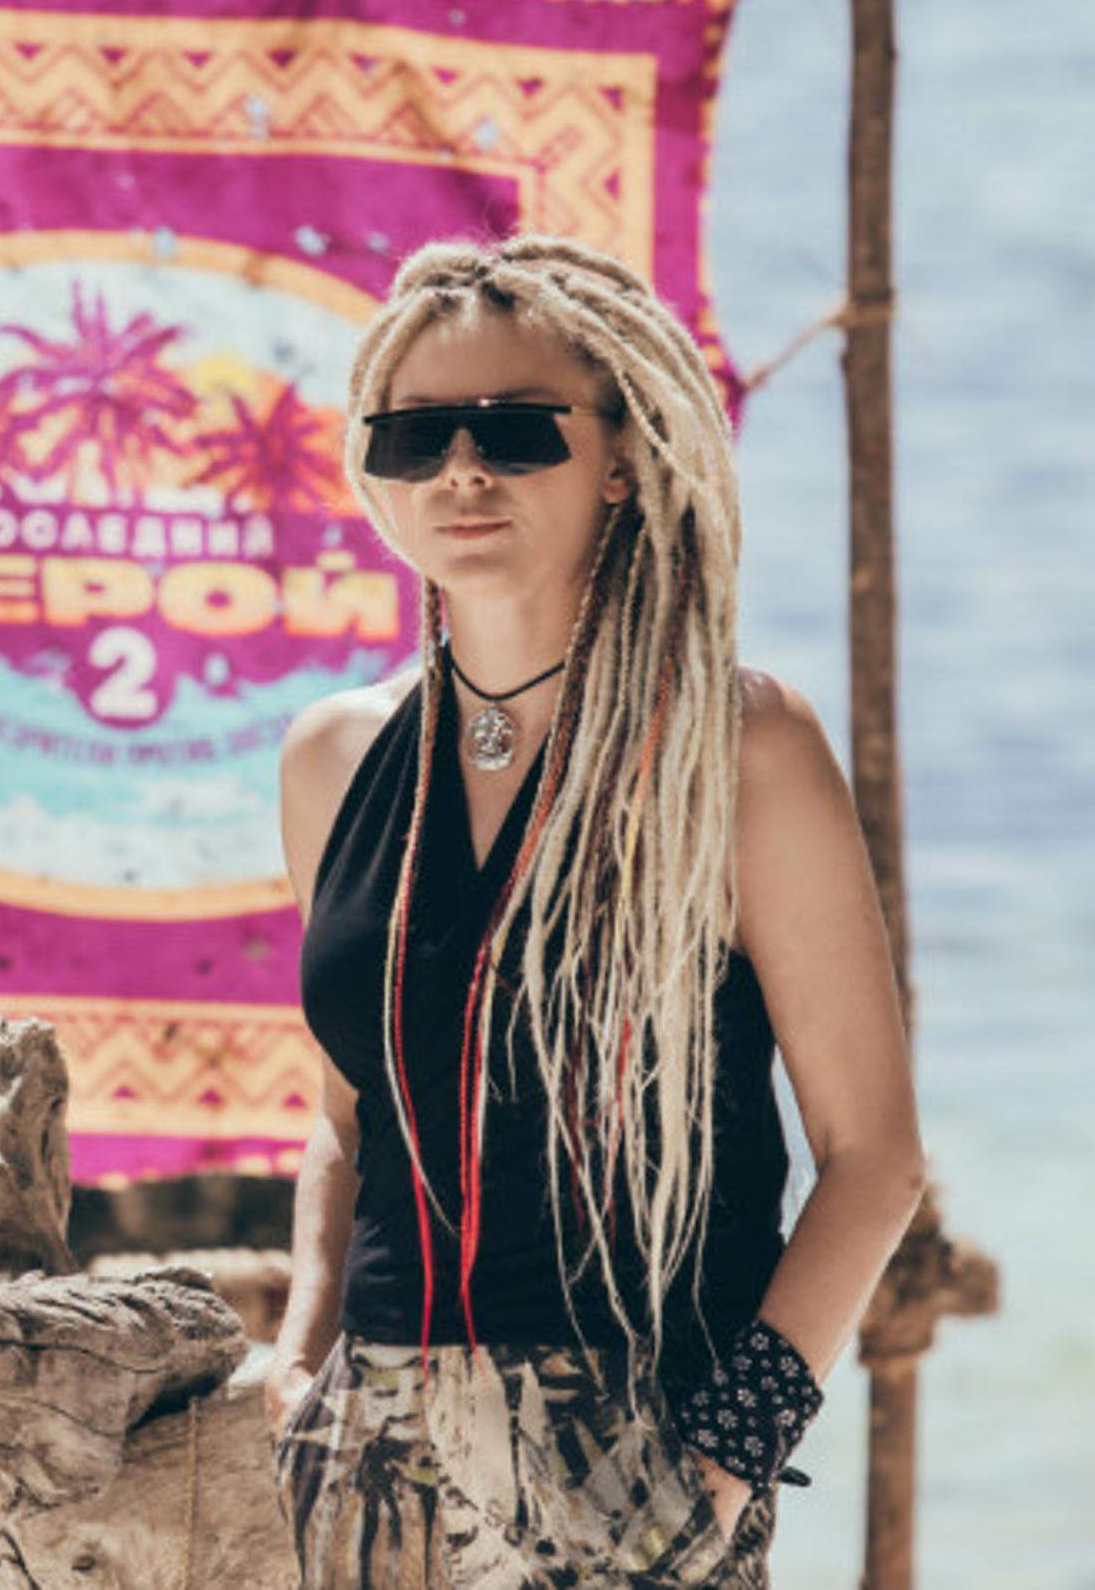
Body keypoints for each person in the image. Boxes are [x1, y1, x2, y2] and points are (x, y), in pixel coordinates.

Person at [264, 233, 927, 1588]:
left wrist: (723, 1465)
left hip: (641, 1446)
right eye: (416, 436)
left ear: (622, 457)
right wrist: (298, 1363)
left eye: (515, 429)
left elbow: (873, 1157)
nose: (461, 471)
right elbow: (350, 1116)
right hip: (365, 1457)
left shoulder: (736, 749)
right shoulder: (333, 757)